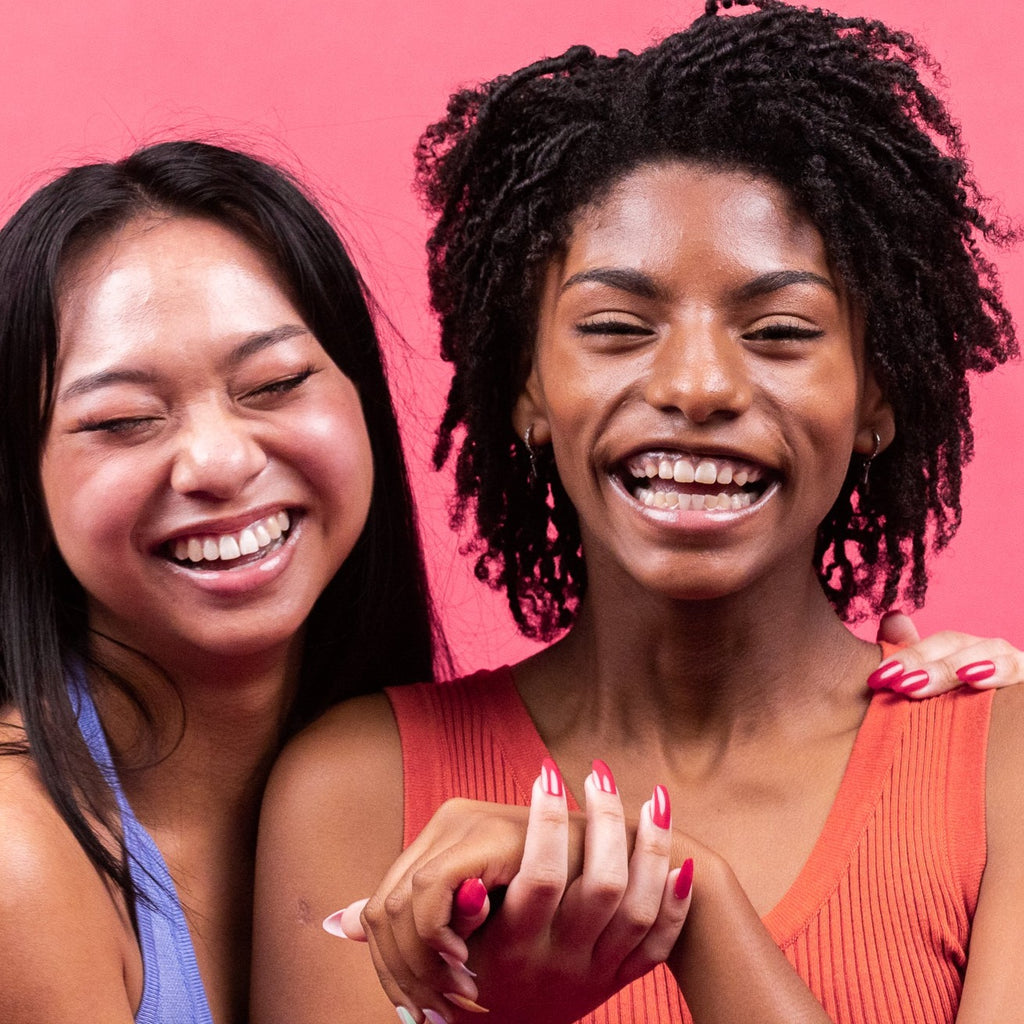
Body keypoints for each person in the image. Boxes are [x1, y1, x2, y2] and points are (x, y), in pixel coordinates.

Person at [251, 2, 1024, 1023]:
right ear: (526, 385)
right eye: (616, 327)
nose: (697, 383)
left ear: (877, 394)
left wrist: (693, 911)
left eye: (781, 330)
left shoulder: (1001, 763)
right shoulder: (353, 789)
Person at [0, 140, 440, 1024]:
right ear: (22, 484)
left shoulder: (412, 778)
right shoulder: (19, 857)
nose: (219, 461)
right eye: (124, 420)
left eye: (274, 384)